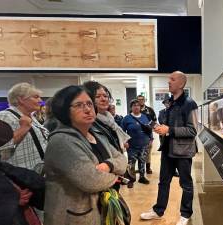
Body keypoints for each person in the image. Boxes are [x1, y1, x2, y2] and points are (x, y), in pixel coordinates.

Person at [44, 85, 127, 225]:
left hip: (100, 210)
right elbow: (92, 181)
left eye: (89, 103)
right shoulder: (62, 141)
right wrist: (117, 176)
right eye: (78, 105)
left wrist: (108, 165)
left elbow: (122, 160)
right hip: (74, 216)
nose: (88, 109)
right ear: (64, 111)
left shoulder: (96, 134)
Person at [140, 71, 198, 225]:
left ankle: (185, 214)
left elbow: (193, 130)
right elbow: (168, 125)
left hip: (183, 152)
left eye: (172, 79)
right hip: (167, 149)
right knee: (163, 182)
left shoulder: (189, 104)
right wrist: (160, 128)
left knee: (185, 184)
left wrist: (169, 130)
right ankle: (158, 210)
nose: (168, 82)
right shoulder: (170, 103)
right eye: (169, 79)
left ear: (181, 83)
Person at [0, 83, 48, 171]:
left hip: (36, 175)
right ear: (21, 99)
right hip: (20, 178)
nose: (40, 100)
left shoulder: (31, 117)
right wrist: (23, 129)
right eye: (36, 97)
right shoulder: (4, 116)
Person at [83, 81, 130, 155]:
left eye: (105, 96)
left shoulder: (109, 118)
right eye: (98, 97)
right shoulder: (89, 123)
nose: (103, 99)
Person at [122, 100, 152, 187]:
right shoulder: (126, 118)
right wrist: (125, 141)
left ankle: (142, 177)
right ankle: (131, 180)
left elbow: (149, 129)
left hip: (144, 144)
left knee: (142, 161)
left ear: (140, 107)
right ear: (131, 107)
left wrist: (151, 139)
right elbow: (122, 131)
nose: (136, 107)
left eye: (138, 105)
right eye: (134, 105)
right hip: (132, 146)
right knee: (131, 163)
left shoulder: (144, 117)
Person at [137, 94, 157, 174]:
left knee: (147, 152)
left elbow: (154, 121)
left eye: (142, 99)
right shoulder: (134, 109)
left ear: (144, 100)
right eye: (139, 99)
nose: (140, 101)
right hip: (137, 135)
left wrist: (150, 128)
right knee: (138, 152)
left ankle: (148, 168)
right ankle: (140, 168)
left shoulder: (150, 110)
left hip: (147, 135)